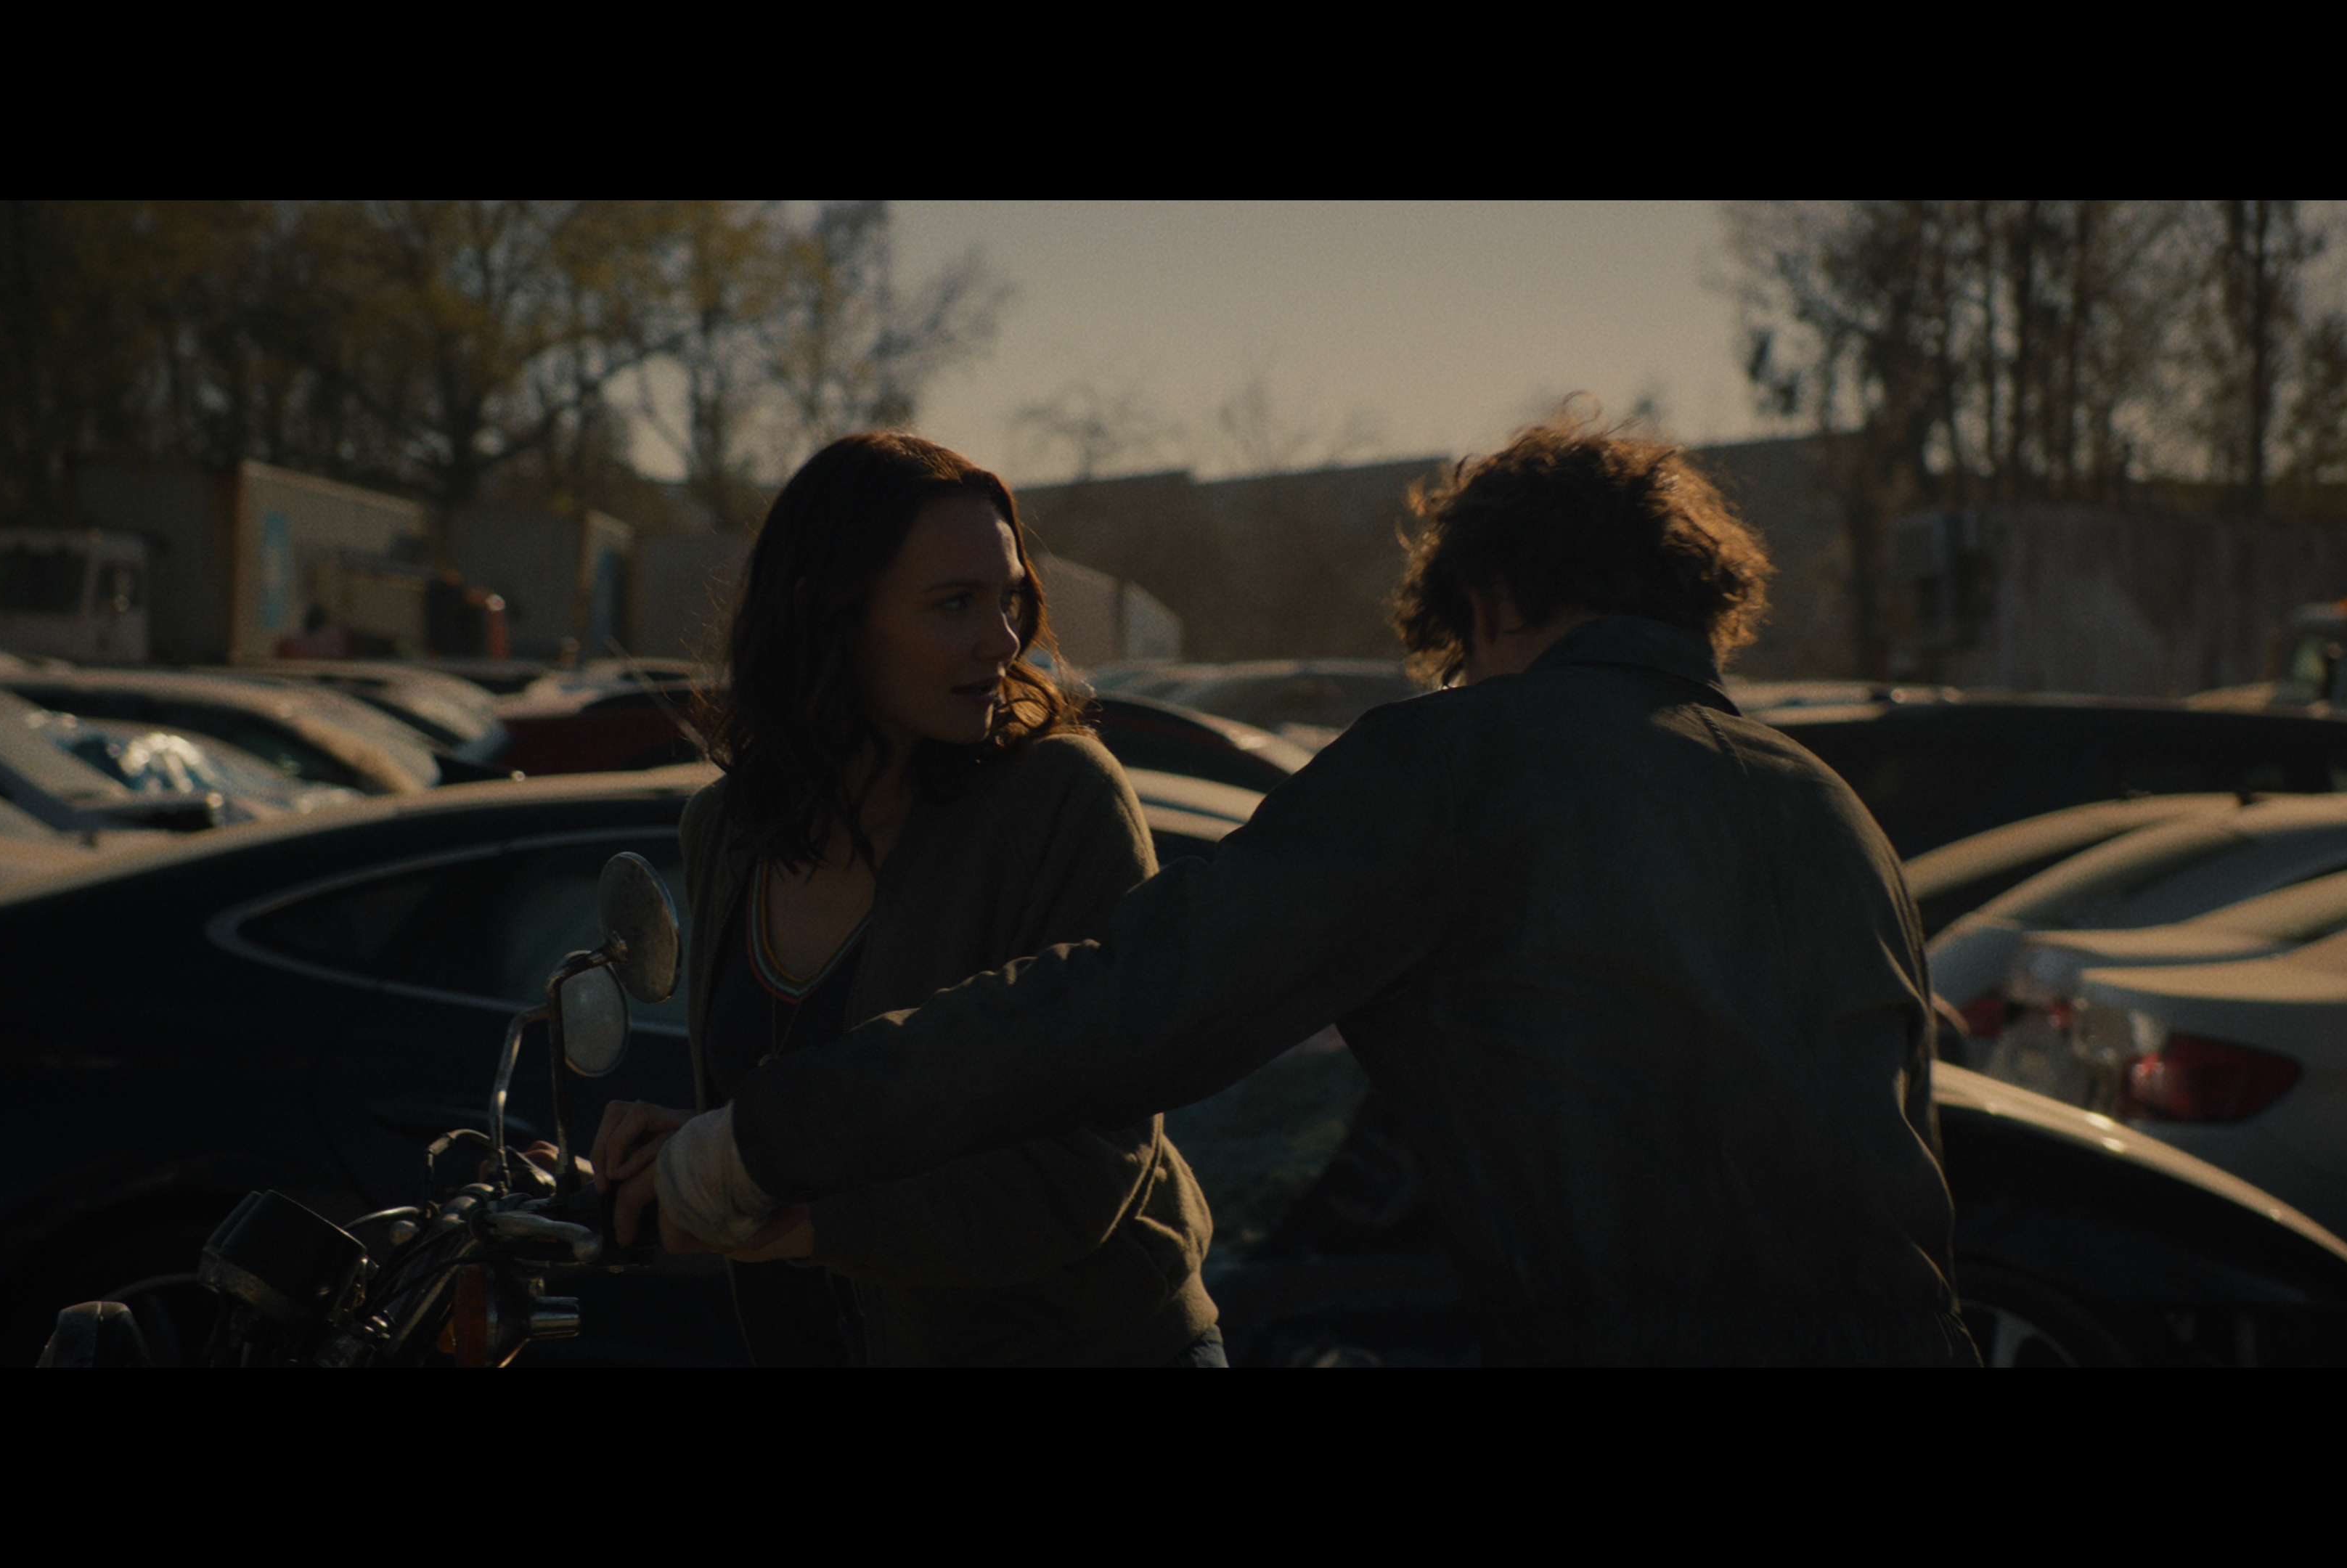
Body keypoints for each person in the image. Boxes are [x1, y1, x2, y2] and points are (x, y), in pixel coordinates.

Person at [645, 417, 1976, 1366]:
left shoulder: (1464, 762)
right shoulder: (1833, 814)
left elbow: (1132, 1007)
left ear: (1488, 601)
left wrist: (760, 1140)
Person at [590, 432, 1222, 1367]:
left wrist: (812, 1216)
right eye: (955, 603)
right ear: (826, 617)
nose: (1003, 640)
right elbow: (825, 1117)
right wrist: (704, 1147)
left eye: (1008, 599)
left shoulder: (1059, 803)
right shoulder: (726, 828)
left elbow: (1086, 1166)